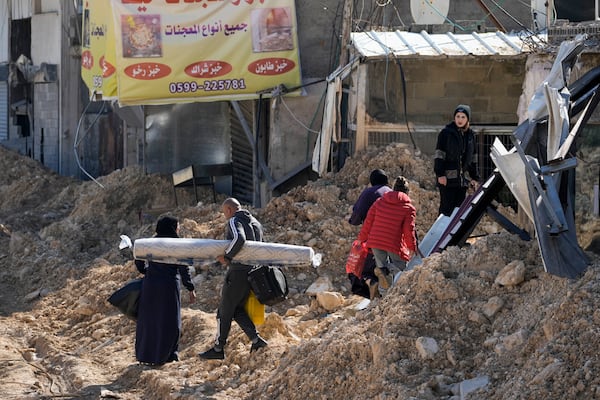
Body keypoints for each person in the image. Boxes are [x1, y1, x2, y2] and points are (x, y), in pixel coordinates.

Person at [199, 198, 268, 360]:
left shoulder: (234, 220)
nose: (225, 217)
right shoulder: (256, 223)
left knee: (224, 310)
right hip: (252, 273)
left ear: (229, 210)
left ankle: (218, 348)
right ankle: (256, 340)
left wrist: (227, 256)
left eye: (224, 213)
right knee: (236, 309)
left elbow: (239, 239)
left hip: (238, 272)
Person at [134, 216, 197, 366]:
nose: (179, 229)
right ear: (172, 227)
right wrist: (190, 287)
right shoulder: (177, 245)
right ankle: (169, 355)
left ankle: (146, 355)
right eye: (178, 227)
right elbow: (183, 267)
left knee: (150, 320)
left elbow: (138, 261)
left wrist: (148, 272)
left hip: (150, 285)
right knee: (170, 321)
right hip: (168, 286)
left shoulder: (150, 243)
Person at [357, 176, 417, 290]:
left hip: (375, 241)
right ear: (407, 192)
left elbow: (368, 222)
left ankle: (385, 294)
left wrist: (361, 238)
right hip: (393, 243)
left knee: (382, 271)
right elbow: (409, 231)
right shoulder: (408, 208)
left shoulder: (380, 202)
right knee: (401, 269)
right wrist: (412, 247)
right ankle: (397, 289)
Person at [348, 169, 392, 299]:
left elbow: (357, 215)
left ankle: (371, 283)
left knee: (358, 270)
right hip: (394, 240)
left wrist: (353, 221)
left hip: (373, 239)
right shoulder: (392, 193)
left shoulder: (369, 193)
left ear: (372, 182)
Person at [434, 104, 480, 217]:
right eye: (458, 116)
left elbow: (473, 158)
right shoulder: (446, 133)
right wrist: (440, 174)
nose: (460, 119)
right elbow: (439, 155)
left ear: (468, 119)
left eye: (463, 117)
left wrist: (474, 177)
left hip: (462, 181)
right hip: (447, 180)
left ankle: (454, 235)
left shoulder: (471, 136)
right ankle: (441, 234)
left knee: (458, 211)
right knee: (446, 210)